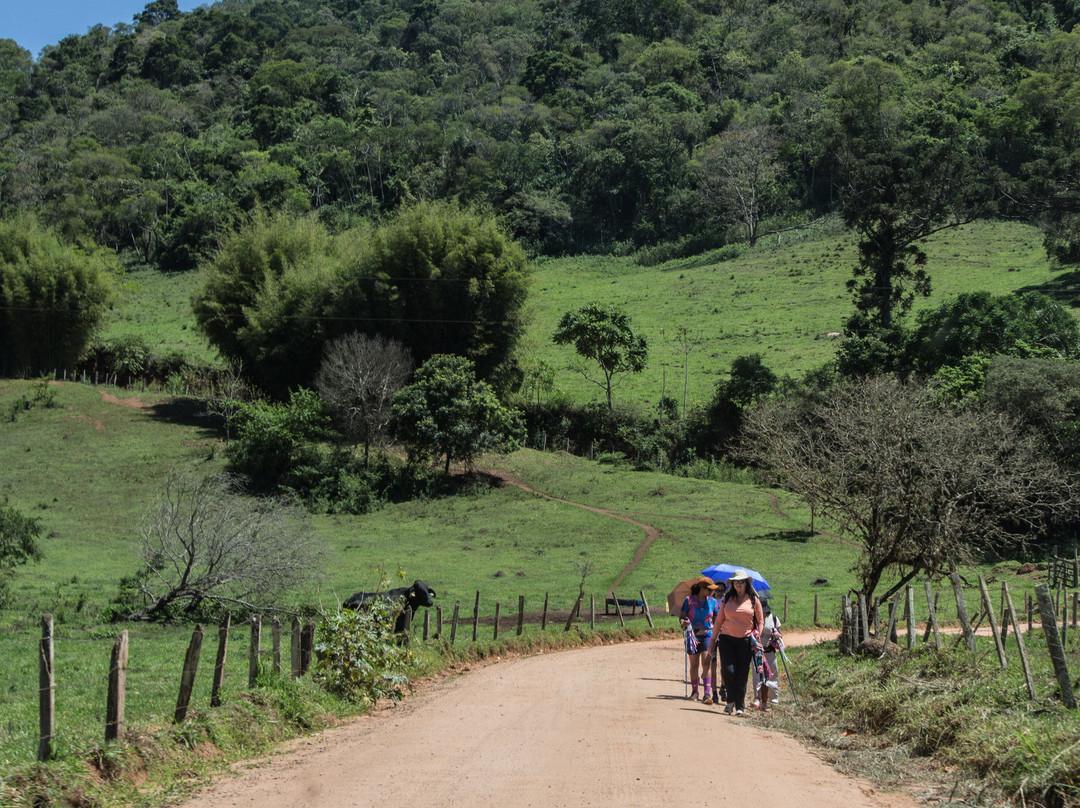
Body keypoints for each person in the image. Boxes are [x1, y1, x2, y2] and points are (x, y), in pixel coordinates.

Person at [706, 569, 763, 716]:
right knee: (728, 670)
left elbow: (760, 621)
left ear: (746, 583)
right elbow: (719, 621)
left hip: (745, 641)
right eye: (736, 582)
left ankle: (740, 706)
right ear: (732, 584)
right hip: (726, 639)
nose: (738, 585)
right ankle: (730, 700)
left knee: (742, 673)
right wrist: (712, 641)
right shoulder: (727, 599)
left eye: (741, 582)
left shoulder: (753, 599)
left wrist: (757, 637)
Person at [679, 576, 720, 703]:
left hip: (708, 634)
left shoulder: (714, 602)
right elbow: (682, 617)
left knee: (706, 663)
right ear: (702, 589)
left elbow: (717, 619)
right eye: (709, 589)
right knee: (694, 664)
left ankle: (707, 694)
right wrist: (683, 623)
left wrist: (717, 633)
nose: (712, 592)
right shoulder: (689, 600)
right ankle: (694, 691)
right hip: (692, 635)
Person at [752, 599, 782, 710]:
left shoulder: (773, 619)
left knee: (770, 676)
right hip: (757, 653)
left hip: (769, 652)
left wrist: (776, 635)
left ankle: (766, 701)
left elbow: (779, 633)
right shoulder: (753, 619)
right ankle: (757, 698)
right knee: (758, 675)